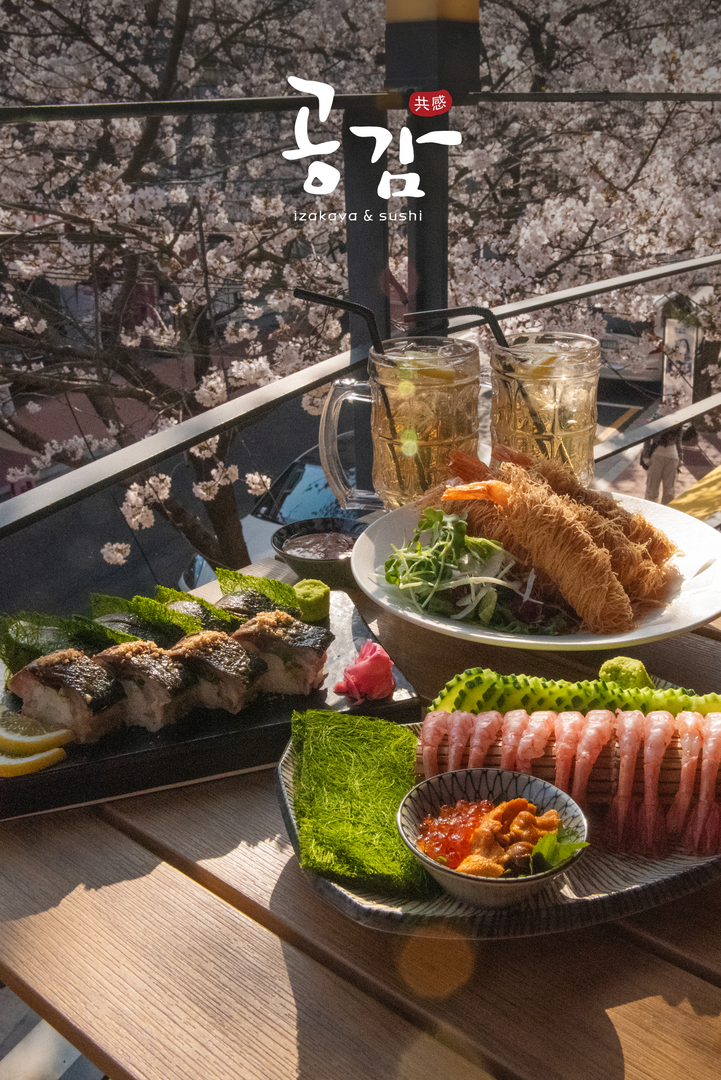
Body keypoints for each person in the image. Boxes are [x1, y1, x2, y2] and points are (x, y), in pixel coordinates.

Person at [641, 426, 683, 504]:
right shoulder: (657, 419)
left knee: (669, 491)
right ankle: (650, 510)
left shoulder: (677, 421)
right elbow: (647, 438)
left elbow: (678, 440)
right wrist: (645, 456)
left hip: (672, 458)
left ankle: (666, 510)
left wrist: (680, 456)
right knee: (652, 489)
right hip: (656, 457)